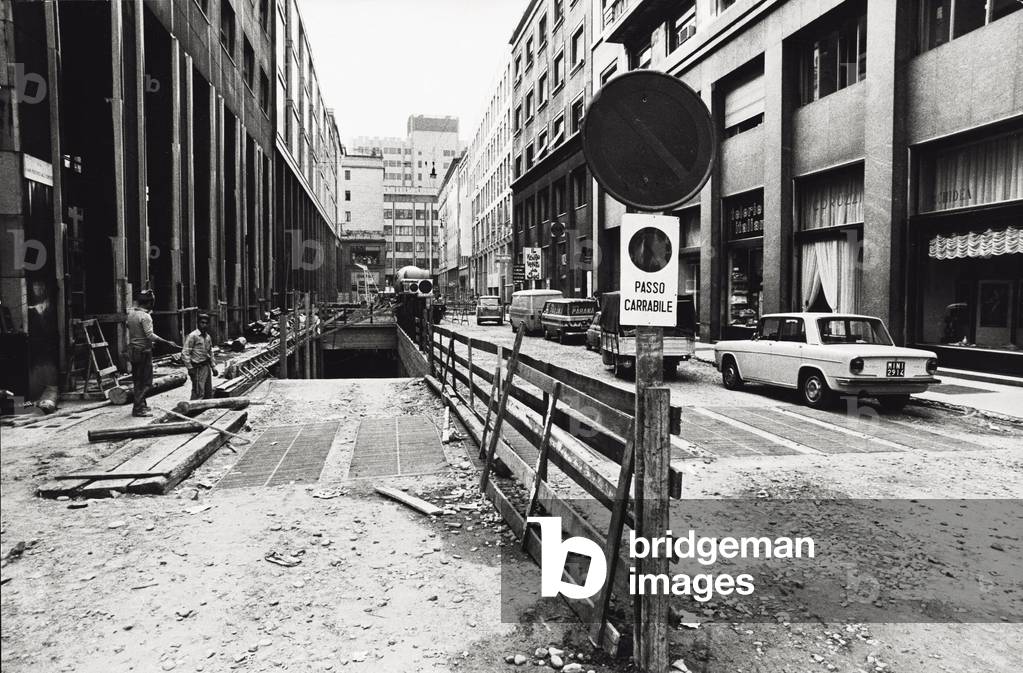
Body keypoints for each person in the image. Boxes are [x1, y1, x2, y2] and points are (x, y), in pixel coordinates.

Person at [125, 290, 181, 417]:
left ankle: (142, 405)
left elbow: (130, 327)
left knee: (137, 380)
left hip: (133, 351)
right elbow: (149, 335)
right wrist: (166, 342)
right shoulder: (146, 317)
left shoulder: (132, 314)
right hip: (144, 352)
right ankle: (138, 407)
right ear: (150, 302)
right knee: (147, 382)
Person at [182, 313, 217, 400]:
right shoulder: (193, 336)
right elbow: (185, 352)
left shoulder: (208, 337)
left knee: (208, 392)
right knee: (198, 392)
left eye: (206, 323)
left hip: (206, 366)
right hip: (197, 367)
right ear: (198, 323)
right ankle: (192, 411)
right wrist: (190, 368)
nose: (204, 325)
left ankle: (205, 411)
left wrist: (213, 367)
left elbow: (210, 352)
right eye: (202, 323)